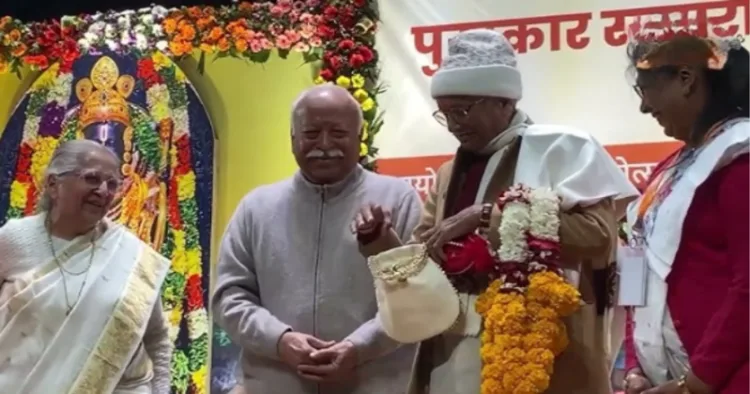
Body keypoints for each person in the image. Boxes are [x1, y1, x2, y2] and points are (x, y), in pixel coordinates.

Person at [353, 29, 640, 394]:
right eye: (445, 114)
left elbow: (597, 239)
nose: (455, 124)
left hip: (539, 353)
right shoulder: (446, 174)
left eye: (464, 110)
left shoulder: (563, 150)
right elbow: (426, 259)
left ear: (504, 101)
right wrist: (381, 241)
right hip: (451, 353)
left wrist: (489, 216)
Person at [211, 84, 423, 394]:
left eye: (338, 133)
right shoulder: (256, 208)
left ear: (359, 137)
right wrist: (280, 340)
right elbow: (228, 297)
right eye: (311, 134)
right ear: (292, 139)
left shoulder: (398, 200)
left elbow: (416, 299)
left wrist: (358, 348)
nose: (324, 144)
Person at [621, 28, 749, 394]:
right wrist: (634, 366)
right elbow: (636, 270)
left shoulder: (739, 158)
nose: (644, 107)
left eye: (644, 89)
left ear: (686, 79)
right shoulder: (667, 170)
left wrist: (695, 383)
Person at [0, 139, 172, 393]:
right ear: (53, 184)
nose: (103, 191)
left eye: (112, 183)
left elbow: (157, 337)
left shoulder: (131, 255)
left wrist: (162, 389)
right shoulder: (13, 239)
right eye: (92, 178)